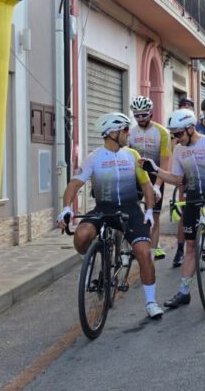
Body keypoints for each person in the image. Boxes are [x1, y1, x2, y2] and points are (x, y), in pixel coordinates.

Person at [58, 113, 163, 319]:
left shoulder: (132, 155)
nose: (128, 134)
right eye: (125, 130)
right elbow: (74, 183)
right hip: (103, 208)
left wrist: (149, 210)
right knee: (81, 235)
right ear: (112, 133)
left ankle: (151, 302)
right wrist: (66, 208)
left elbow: (146, 185)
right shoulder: (94, 158)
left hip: (130, 208)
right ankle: (86, 262)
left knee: (143, 252)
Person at [146, 108, 205, 308]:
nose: (177, 138)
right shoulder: (179, 150)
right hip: (191, 199)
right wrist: (155, 170)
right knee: (190, 247)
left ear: (191, 128)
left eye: (179, 134)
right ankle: (183, 292)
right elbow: (177, 179)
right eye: (174, 135)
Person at [127, 95, 171, 260]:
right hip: (136, 177)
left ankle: (152, 253)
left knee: (156, 215)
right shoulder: (131, 133)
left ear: (151, 113)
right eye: (137, 115)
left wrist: (158, 185)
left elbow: (165, 161)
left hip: (154, 176)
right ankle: (135, 245)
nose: (140, 119)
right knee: (133, 213)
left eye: (144, 115)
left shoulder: (162, 132)